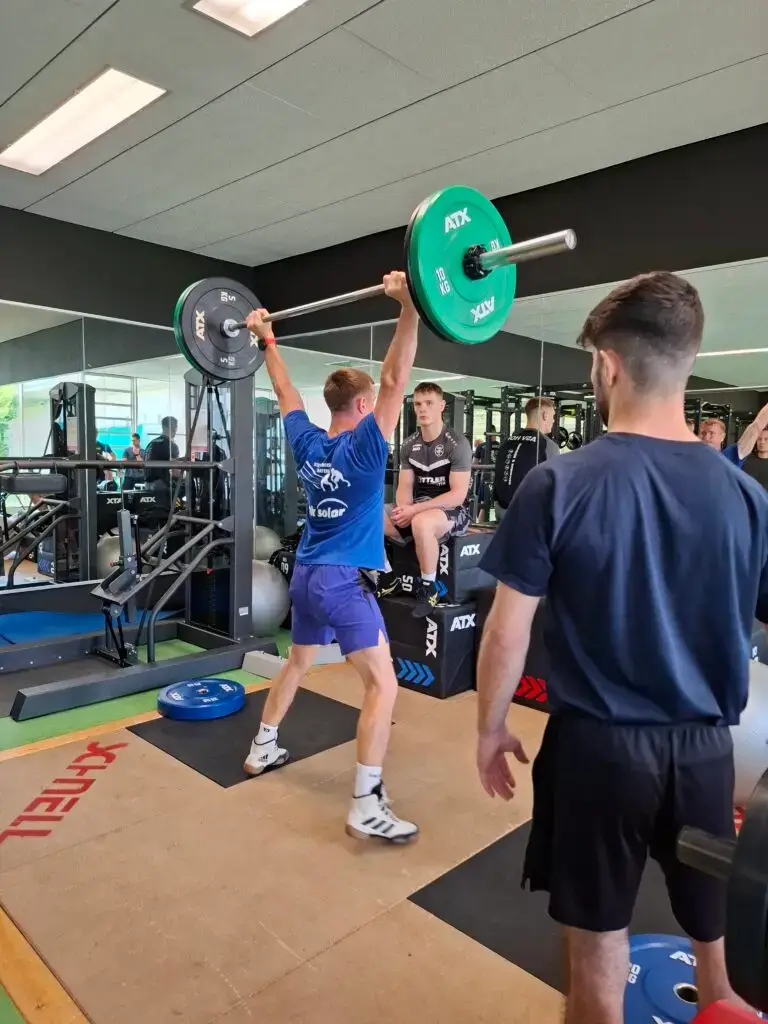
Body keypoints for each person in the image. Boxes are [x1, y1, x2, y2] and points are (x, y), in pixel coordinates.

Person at [474, 270, 768, 1024]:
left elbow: (508, 626)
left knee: (599, 943)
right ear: (688, 359)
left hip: (598, 753)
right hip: (708, 754)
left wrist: (491, 726)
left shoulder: (559, 482)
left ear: (606, 365)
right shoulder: (748, 497)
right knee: (717, 938)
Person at [242, 272, 420, 844]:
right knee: (383, 688)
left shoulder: (308, 443)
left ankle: (262, 746)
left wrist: (265, 338)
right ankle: (367, 803)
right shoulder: (368, 446)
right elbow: (397, 378)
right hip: (343, 581)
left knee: (297, 661)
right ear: (364, 405)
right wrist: (409, 305)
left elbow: (284, 393)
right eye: (376, 401)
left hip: (307, 575)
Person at [380, 382, 473, 615]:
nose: (422, 409)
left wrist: (414, 512)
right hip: (418, 507)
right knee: (367, 516)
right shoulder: (410, 445)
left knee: (422, 523)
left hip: (452, 511)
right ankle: (387, 576)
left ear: (441, 406)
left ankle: (429, 588)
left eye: (429, 403)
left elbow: (457, 495)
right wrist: (403, 509)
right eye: (418, 404)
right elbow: (404, 488)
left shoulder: (457, 444)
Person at [492, 397, 559, 521]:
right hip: (527, 517)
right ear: (545, 415)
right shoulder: (548, 445)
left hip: (500, 512)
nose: (553, 421)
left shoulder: (506, 444)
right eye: (553, 416)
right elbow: (556, 488)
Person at [722, 401, 768, 489]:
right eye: (759, 439)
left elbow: (756, 427)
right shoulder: (744, 457)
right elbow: (755, 427)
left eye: (766, 439)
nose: (762, 442)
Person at [143, 416, 180, 500]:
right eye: (176, 426)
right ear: (173, 428)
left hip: (147, 484)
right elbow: (175, 472)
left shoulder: (151, 443)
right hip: (161, 484)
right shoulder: (172, 446)